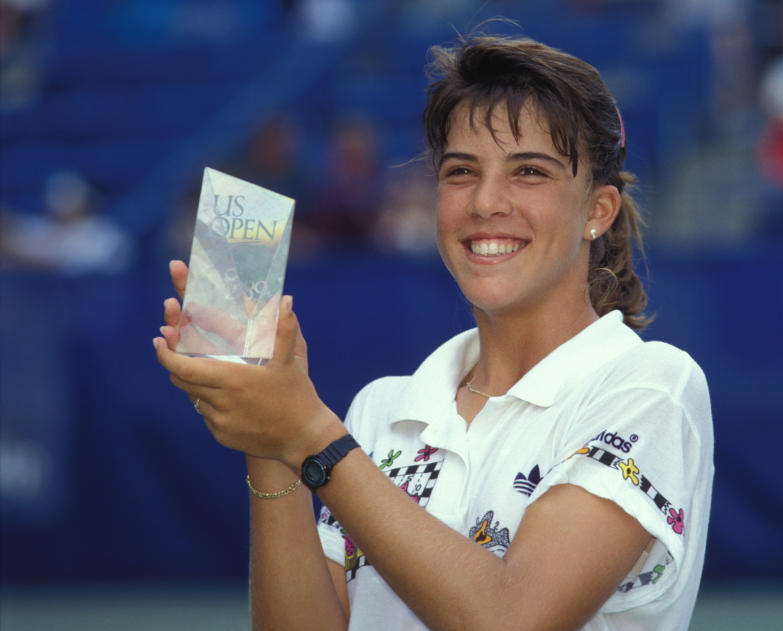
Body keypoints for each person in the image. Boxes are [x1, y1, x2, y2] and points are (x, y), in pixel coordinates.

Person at [155, 33, 714, 630]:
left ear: (597, 212)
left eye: (529, 171)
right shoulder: (381, 409)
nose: (486, 201)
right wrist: (268, 443)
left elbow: (514, 619)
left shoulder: (652, 387)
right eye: (461, 171)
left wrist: (312, 438)